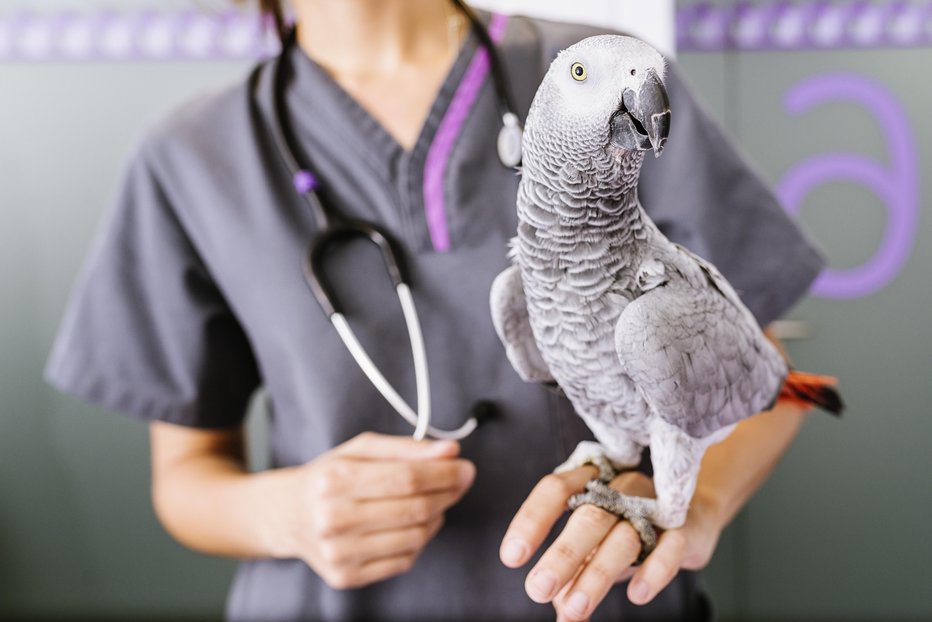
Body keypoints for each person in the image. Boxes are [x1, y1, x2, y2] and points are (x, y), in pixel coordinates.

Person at [44, 0, 825, 620]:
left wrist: (694, 507)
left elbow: (769, 383)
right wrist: (285, 514)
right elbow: (184, 479)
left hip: (605, 601)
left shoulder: (602, 74)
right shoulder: (192, 155)